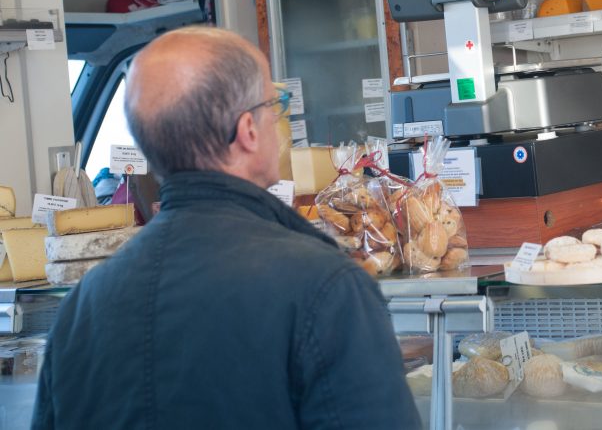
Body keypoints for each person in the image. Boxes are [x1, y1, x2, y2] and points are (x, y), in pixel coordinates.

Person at [33, 27, 420, 430]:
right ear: (248, 131)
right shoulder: (327, 288)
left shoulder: (82, 307)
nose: (277, 118)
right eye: (275, 105)